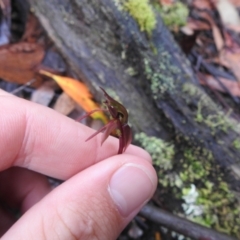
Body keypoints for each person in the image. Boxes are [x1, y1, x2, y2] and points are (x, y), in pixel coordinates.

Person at [0, 89, 157, 239]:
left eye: (110, 106)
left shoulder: (120, 125)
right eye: (108, 105)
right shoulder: (110, 119)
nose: (108, 107)